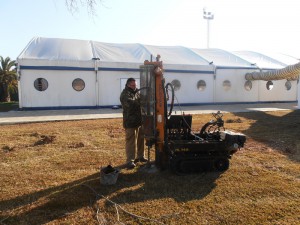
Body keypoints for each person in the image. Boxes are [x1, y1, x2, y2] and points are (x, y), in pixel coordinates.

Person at [120, 78, 146, 169]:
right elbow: (131, 104)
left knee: (141, 139)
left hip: (139, 121)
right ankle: (130, 161)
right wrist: (142, 101)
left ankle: (140, 156)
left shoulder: (136, 92)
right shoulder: (125, 94)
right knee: (131, 141)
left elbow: (141, 99)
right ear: (127, 85)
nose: (134, 87)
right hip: (130, 122)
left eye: (135, 85)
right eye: (132, 85)